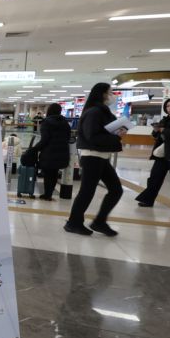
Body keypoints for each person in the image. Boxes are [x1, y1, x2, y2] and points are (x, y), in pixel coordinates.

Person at [65, 83, 125, 236]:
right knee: (87, 191)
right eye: (110, 92)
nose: (113, 95)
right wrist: (115, 136)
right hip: (92, 155)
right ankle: (73, 223)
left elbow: (102, 131)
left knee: (116, 189)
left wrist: (118, 132)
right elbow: (93, 136)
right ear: (103, 94)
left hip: (101, 156)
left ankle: (99, 221)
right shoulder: (94, 112)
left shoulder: (102, 111)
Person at [33, 103, 70, 200]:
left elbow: (45, 139)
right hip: (62, 152)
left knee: (48, 174)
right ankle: (49, 194)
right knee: (54, 174)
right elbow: (68, 137)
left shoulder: (47, 122)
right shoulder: (65, 122)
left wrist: (35, 149)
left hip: (49, 152)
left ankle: (47, 194)